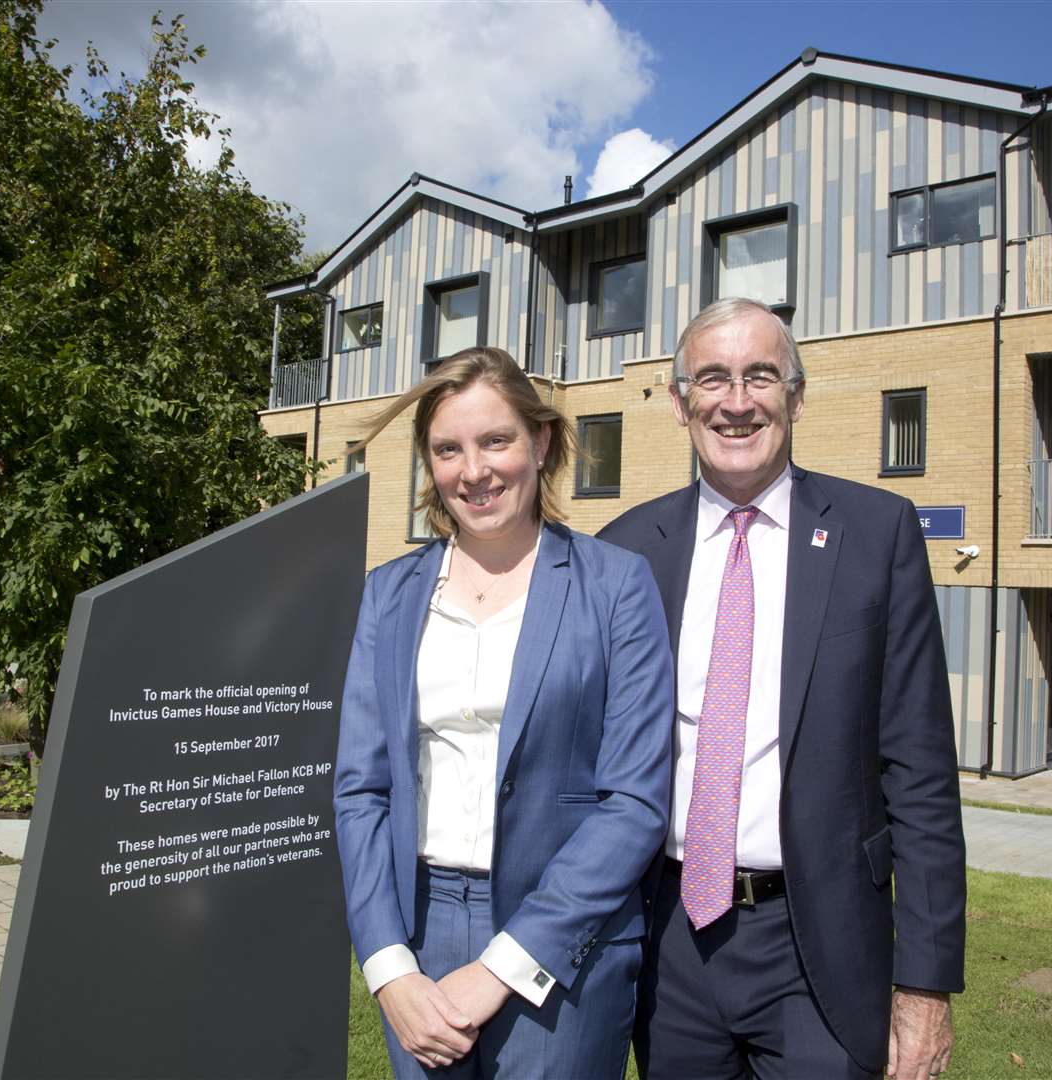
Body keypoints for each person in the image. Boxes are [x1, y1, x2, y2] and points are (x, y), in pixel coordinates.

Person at [599, 297, 966, 1080]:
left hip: (820, 943)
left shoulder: (878, 535)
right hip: (668, 942)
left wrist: (926, 984)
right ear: (679, 402)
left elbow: (922, 774)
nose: (736, 402)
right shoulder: (626, 551)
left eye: (760, 376)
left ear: (795, 397)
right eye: (713, 379)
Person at [335, 346, 673, 1079]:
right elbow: (361, 789)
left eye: (496, 440)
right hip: (418, 935)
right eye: (448, 449)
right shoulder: (389, 595)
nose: (474, 470)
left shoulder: (615, 587)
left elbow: (636, 803)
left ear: (541, 442)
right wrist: (390, 967)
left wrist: (502, 967)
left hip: (564, 943)